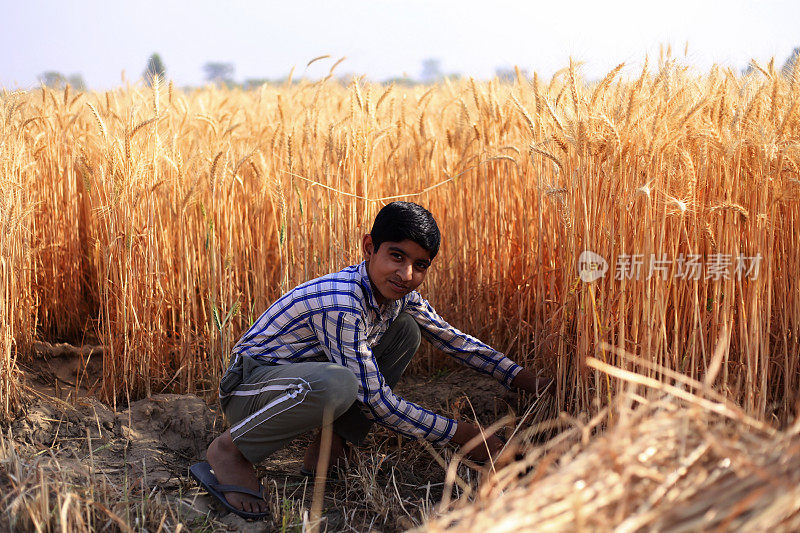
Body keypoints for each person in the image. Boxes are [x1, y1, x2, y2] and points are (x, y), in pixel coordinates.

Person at [190, 201, 551, 518]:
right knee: (341, 383)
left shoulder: (397, 297)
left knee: (407, 330)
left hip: (298, 385)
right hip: (252, 393)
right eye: (397, 256)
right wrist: (469, 436)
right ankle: (230, 451)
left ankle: (329, 446)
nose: (407, 275)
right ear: (369, 247)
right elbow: (378, 403)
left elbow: (454, 340)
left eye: (420, 265)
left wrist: (521, 377)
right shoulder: (341, 303)